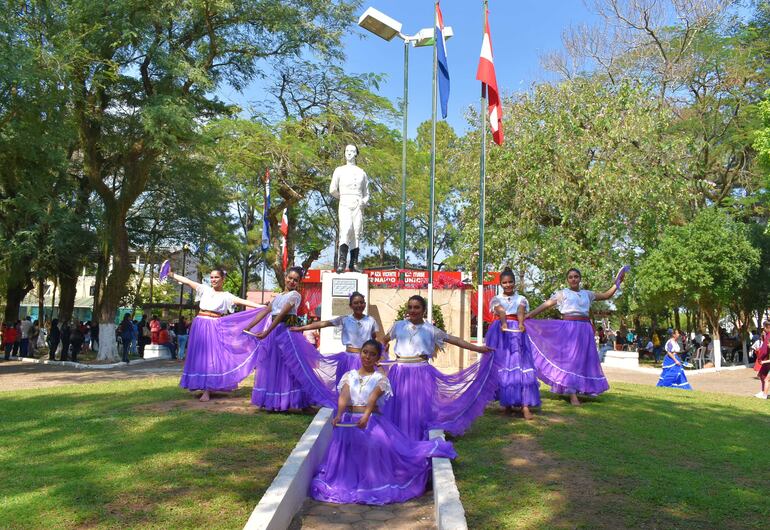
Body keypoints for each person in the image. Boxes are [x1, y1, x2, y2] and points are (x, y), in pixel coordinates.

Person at [309, 340, 456, 505]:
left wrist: (365, 416)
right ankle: (351, 482)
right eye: (365, 352)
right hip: (349, 422)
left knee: (372, 449)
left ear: (378, 358)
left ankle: (371, 485)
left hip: (371, 421)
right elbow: (344, 396)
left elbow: (372, 397)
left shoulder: (381, 379)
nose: (367, 357)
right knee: (348, 452)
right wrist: (339, 415)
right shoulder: (349, 375)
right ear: (360, 353)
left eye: (373, 354)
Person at [381, 295, 495, 440]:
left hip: (420, 372)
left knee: (419, 406)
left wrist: (479, 349)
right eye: (410, 307)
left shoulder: (430, 330)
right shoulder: (398, 326)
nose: (413, 310)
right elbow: (383, 340)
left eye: (417, 307)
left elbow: (455, 340)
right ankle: (397, 435)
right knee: (399, 403)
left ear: (423, 310)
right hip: (399, 372)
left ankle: (417, 434)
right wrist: (380, 352)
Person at [525, 267, 624, 405]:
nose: (573, 279)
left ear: (580, 278)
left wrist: (617, 282)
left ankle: (581, 389)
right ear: (567, 280)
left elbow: (607, 295)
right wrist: (529, 316)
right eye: (570, 277)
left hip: (585, 329)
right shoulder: (562, 294)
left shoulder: (587, 294)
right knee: (571, 360)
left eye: (576, 276)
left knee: (583, 360)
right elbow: (546, 305)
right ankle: (572, 394)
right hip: (569, 329)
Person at [167, 266, 264, 402]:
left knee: (212, 358)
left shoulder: (226, 296)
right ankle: (201, 386)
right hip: (200, 324)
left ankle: (207, 390)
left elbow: (244, 302)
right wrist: (171, 274)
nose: (213, 280)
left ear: (222, 279)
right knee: (200, 357)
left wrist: (263, 307)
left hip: (215, 326)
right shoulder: (204, 289)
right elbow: (187, 281)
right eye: (211, 277)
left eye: (216, 277)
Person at [244, 267, 310, 411]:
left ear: (299, 282)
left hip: (287, 333)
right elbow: (264, 312)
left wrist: (267, 331)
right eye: (290, 278)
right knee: (273, 365)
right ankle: (275, 400)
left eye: (296, 280)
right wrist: (248, 327)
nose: (292, 281)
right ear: (285, 277)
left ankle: (292, 400)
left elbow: (281, 315)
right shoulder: (278, 297)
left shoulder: (295, 295)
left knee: (290, 366)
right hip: (275, 332)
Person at [290, 291, 381, 385]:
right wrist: (301, 328)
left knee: (364, 387)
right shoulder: (345, 319)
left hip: (365, 359)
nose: (359, 305)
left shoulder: (371, 320)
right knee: (347, 387)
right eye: (356, 303)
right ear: (350, 305)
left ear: (365, 304)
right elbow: (324, 323)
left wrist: (379, 355)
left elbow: (375, 340)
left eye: (361, 302)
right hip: (348, 359)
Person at [485, 267, 540, 420]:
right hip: (501, 333)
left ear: (515, 283)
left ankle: (525, 406)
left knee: (520, 364)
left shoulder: (521, 298)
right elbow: (501, 310)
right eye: (504, 282)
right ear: (500, 284)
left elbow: (521, 310)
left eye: (510, 282)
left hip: (517, 332)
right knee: (504, 365)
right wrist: (503, 324)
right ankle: (507, 403)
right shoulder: (496, 299)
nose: (508, 285)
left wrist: (521, 324)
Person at [329, 144, 369, 273]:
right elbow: (332, 189)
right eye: (347, 151)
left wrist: (363, 201)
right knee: (346, 230)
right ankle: (342, 263)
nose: (349, 153)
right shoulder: (339, 170)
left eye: (352, 151)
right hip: (345, 201)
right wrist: (343, 197)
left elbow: (366, 193)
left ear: (356, 153)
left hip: (358, 203)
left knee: (356, 233)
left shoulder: (362, 172)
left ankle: (354, 263)